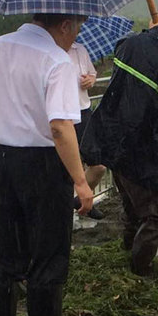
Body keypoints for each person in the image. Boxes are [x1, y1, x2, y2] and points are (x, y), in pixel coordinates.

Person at [0, 13, 94, 316]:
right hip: (41, 166)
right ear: (64, 25)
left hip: (2, 161)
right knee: (48, 254)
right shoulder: (56, 60)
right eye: (76, 31)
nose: (74, 40)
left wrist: (14, 106)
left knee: (6, 256)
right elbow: (59, 127)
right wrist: (81, 181)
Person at [81, 11, 158, 274]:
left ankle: (127, 255)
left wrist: (154, 35)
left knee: (134, 209)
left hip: (113, 141)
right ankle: (140, 270)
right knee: (156, 216)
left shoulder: (130, 44)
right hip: (143, 146)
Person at [67, 40, 106, 220]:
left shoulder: (80, 49)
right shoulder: (50, 50)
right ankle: (65, 211)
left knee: (98, 165)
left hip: (83, 110)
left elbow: (92, 73)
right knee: (67, 167)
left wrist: (91, 79)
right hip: (63, 114)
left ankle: (80, 201)